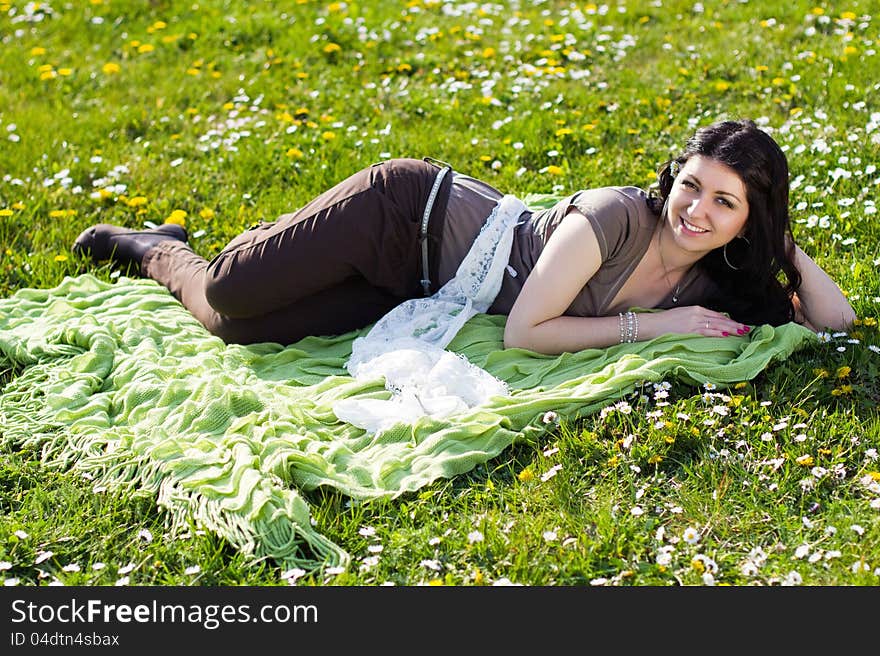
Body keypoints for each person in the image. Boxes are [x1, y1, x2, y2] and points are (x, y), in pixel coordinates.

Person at [72, 119, 856, 354]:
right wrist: (658, 324)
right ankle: (174, 247)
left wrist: (782, 242)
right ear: (670, 178)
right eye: (691, 185)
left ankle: (157, 242)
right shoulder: (615, 217)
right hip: (400, 213)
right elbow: (525, 332)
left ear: (750, 217)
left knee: (234, 331)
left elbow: (837, 321)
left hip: (419, 285)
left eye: (726, 204)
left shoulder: (715, 277)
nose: (697, 211)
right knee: (227, 289)